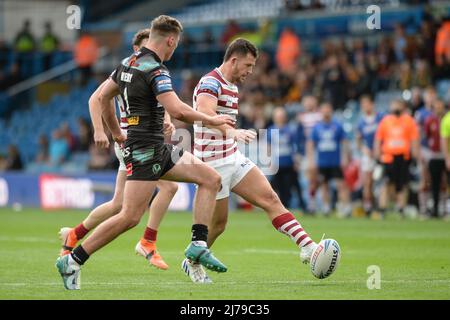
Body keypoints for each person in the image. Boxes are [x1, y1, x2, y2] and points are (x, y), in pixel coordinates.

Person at [56, 15, 234, 290]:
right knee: (128, 216)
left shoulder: (128, 63)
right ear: (171, 40)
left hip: (157, 148)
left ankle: (198, 243)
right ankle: (73, 260)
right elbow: (177, 110)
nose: (175, 50)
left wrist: (116, 134)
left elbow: (103, 98)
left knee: (211, 179)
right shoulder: (156, 70)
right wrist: (214, 120)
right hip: (145, 151)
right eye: (176, 45)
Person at [185, 38, 319, 283]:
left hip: (233, 157)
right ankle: (191, 261)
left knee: (270, 199)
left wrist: (232, 138)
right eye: (247, 65)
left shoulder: (233, 86)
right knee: (218, 225)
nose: (250, 71)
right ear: (233, 61)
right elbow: (204, 113)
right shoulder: (210, 82)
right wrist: (232, 132)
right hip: (210, 165)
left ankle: (308, 246)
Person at [58, 29, 177, 271]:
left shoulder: (148, 71)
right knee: (168, 187)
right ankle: (148, 241)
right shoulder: (128, 72)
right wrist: (100, 131)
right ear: (137, 49)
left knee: (118, 204)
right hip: (133, 142)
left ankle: (74, 234)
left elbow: (157, 103)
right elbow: (96, 99)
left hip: (135, 141)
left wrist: (167, 121)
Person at [373, 99, 420, 219]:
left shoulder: (409, 121)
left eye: (398, 104)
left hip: (403, 157)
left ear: (403, 106)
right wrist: (377, 155)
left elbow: (414, 140)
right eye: (394, 104)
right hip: (388, 157)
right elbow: (378, 139)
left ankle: (401, 208)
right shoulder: (385, 121)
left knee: (403, 184)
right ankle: (382, 208)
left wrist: (415, 156)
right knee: (387, 183)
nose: (396, 107)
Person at [307, 102, 351, 217]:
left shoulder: (337, 126)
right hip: (322, 161)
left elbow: (344, 142)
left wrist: (345, 157)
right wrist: (311, 160)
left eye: (328, 109)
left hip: (335, 161)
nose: (326, 112)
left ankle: (345, 207)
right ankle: (326, 207)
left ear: (331, 111)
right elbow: (311, 144)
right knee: (324, 184)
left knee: (341, 185)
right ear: (321, 112)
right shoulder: (317, 127)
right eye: (324, 109)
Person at [267, 106, 306, 210]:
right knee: (278, 186)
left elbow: (295, 146)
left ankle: (303, 205)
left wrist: (297, 161)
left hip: (289, 163)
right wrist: (269, 161)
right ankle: (281, 206)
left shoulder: (290, 130)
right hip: (277, 164)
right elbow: (268, 147)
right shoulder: (271, 130)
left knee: (294, 185)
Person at [355, 94, 385, 215]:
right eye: (362, 104)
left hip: (381, 154)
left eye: (366, 103)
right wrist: (364, 149)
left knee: (381, 182)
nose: (364, 106)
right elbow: (358, 141)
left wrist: (381, 149)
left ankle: (381, 206)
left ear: (372, 104)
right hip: (368, 155)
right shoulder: (361, 122)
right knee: (367, 182)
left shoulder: (381, 118)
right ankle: (368, 207)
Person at [423, 99, 448, 218]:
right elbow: (426, 138)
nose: (438, 108)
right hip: (435, 155)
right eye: (436, 106)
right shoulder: (430, 121)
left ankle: (446, 209)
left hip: (447, 155)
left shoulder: (447, 119)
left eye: (440, 106)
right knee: (434, 183)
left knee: (446, 183)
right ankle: (435, 209)